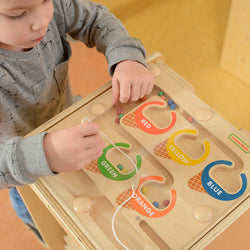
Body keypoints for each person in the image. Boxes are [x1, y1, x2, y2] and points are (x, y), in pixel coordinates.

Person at [0, 0, 154, 242]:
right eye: (18, 14)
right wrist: (44, 153)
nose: (41, 21)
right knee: (56, 228)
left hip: (72, 131)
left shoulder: (52, 10)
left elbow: (97, 20)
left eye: (45, 1)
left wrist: (127, 57)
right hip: (29, 178)